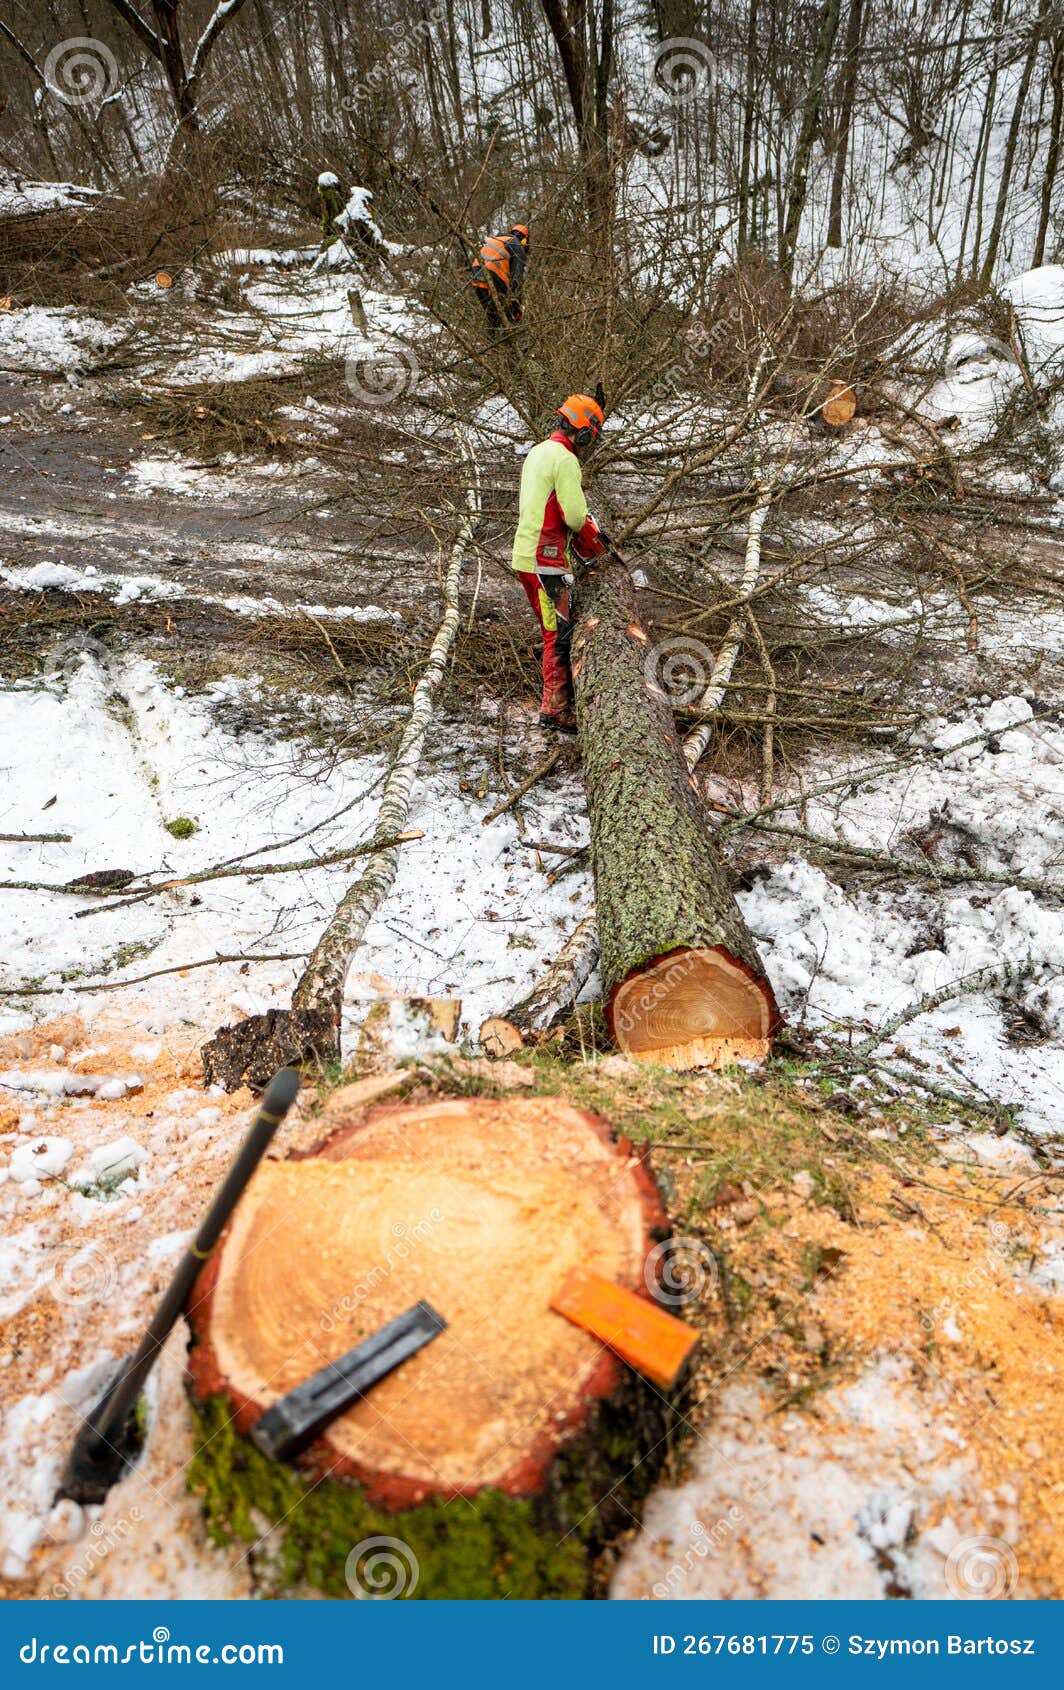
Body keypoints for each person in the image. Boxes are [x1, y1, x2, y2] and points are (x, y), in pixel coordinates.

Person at [511, 393, 611, 733]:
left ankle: (549, 675)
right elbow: (574, 514)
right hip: (546, 558)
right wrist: (593, 536)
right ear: (585, 431)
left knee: (550, 624)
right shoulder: (566, 460)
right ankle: (554, 709)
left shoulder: (537, 452)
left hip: (525, 553)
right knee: (559, 633)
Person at [471, 223, 529, 329]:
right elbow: (517, 278)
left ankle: (492, 339)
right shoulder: (517, 245)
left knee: (492, 315)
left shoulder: (496, 239)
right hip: (492, 277)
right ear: (524, 240)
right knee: (504, 317)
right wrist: (516, 304)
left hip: (476, 275)